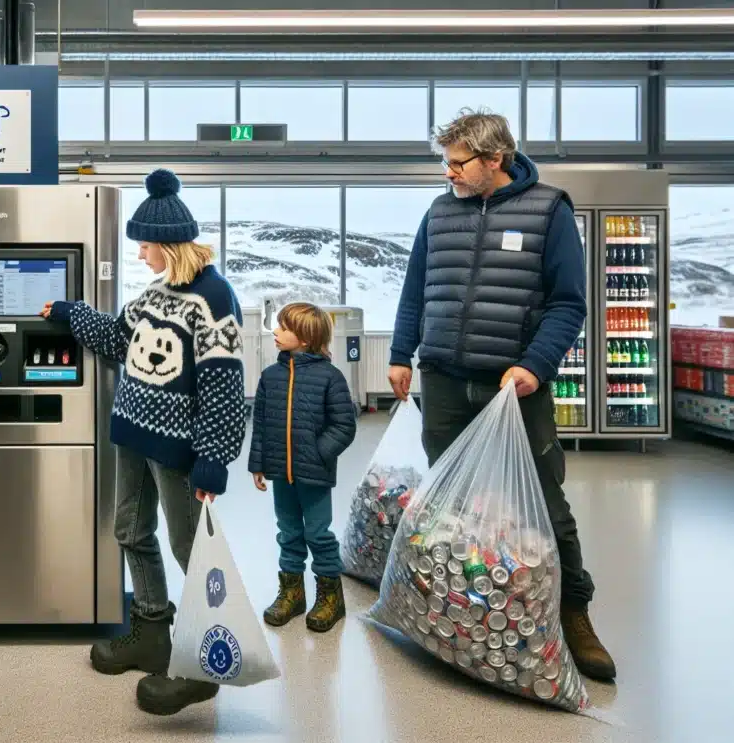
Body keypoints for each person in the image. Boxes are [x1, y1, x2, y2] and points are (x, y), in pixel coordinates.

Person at [387, 109, 615, 682]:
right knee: (452, 502)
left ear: (496, 159)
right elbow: (416, 288)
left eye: (458, 163)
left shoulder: (549, 210)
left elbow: (568, 304)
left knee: (542, 503)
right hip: (441, 378)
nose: (449, 174)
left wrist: (536, 366)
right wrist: (399, 352)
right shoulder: (439, 213)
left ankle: (574, 610)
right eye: (446, 162)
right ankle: (465, 607)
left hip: (513, 387)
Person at [39, 167, 247, 716]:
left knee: (191, 551)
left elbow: (225, 386)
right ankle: (153, 631)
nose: (140, 256)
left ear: (167, 245)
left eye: (145, 247)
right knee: (131, 530)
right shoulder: (155, 293)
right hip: (132, 434)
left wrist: (214, 460)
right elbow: (116, 338)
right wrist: (70, 313)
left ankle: (208, 661)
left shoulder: (214, 299)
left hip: (179, 450)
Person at [248, 302, 357, 631]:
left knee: (318, 534)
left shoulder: (330, 377)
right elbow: (261, 424)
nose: (276, 333)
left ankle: (330, 598)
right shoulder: (270, 377)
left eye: (283, 328)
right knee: (289, 532)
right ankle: (292, 594)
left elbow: (344, 426)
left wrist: (318, 453)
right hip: (281, 473)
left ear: (306, 339)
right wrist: (259, 464)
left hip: (315, 474)